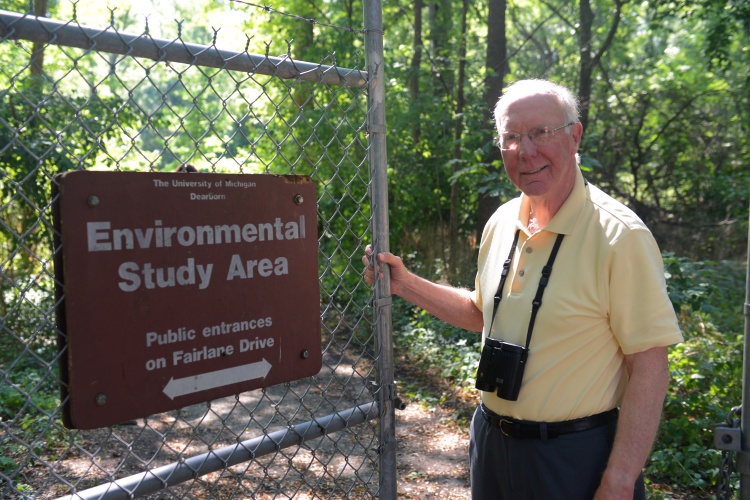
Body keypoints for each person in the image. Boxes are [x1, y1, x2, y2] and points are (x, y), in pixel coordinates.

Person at [362, 79, 683, 499]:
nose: (525, 151)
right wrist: (405, 284)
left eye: (540, 133)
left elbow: (649, 365)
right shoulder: (501, 221)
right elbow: (482, 314)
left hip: (574, 458)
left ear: (575, 136)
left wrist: (620, 480)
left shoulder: (619, 237)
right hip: (491, 444)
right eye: (511, 137)